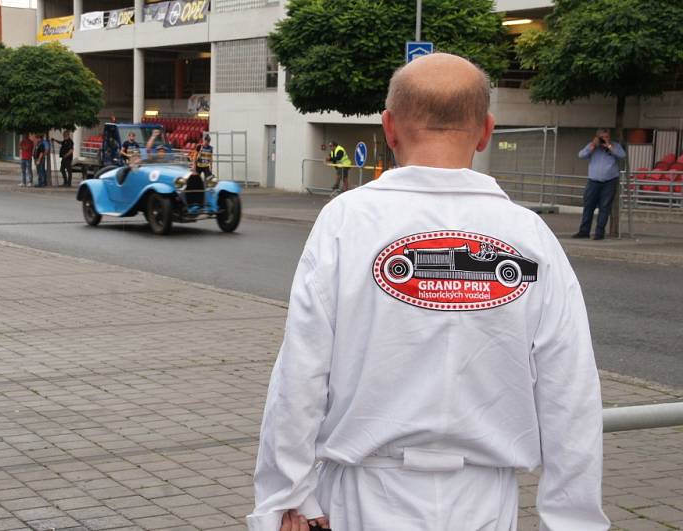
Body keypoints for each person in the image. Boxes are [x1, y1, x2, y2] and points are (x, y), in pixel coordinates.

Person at [248, 53, 609, 531]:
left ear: (390, 128)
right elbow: (571, 391)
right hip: (485, 503)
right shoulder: (531, 236)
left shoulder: (346, 222)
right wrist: (572, 520)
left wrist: (286, 494)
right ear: (485, 132)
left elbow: (302, 369)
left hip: (363, 499)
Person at [572, 128, 626, 240]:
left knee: (605, 207)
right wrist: (593, 145)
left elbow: (622, 155)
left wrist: (609, 146)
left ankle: (599, 233)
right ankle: (584, 231)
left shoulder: (614, 145)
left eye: (606, 137)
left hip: (609, 181)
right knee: (588, 206)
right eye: (602, 137)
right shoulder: (592, 146)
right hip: (593, 181)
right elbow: (581, 155)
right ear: (597, 137)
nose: (604, 139)